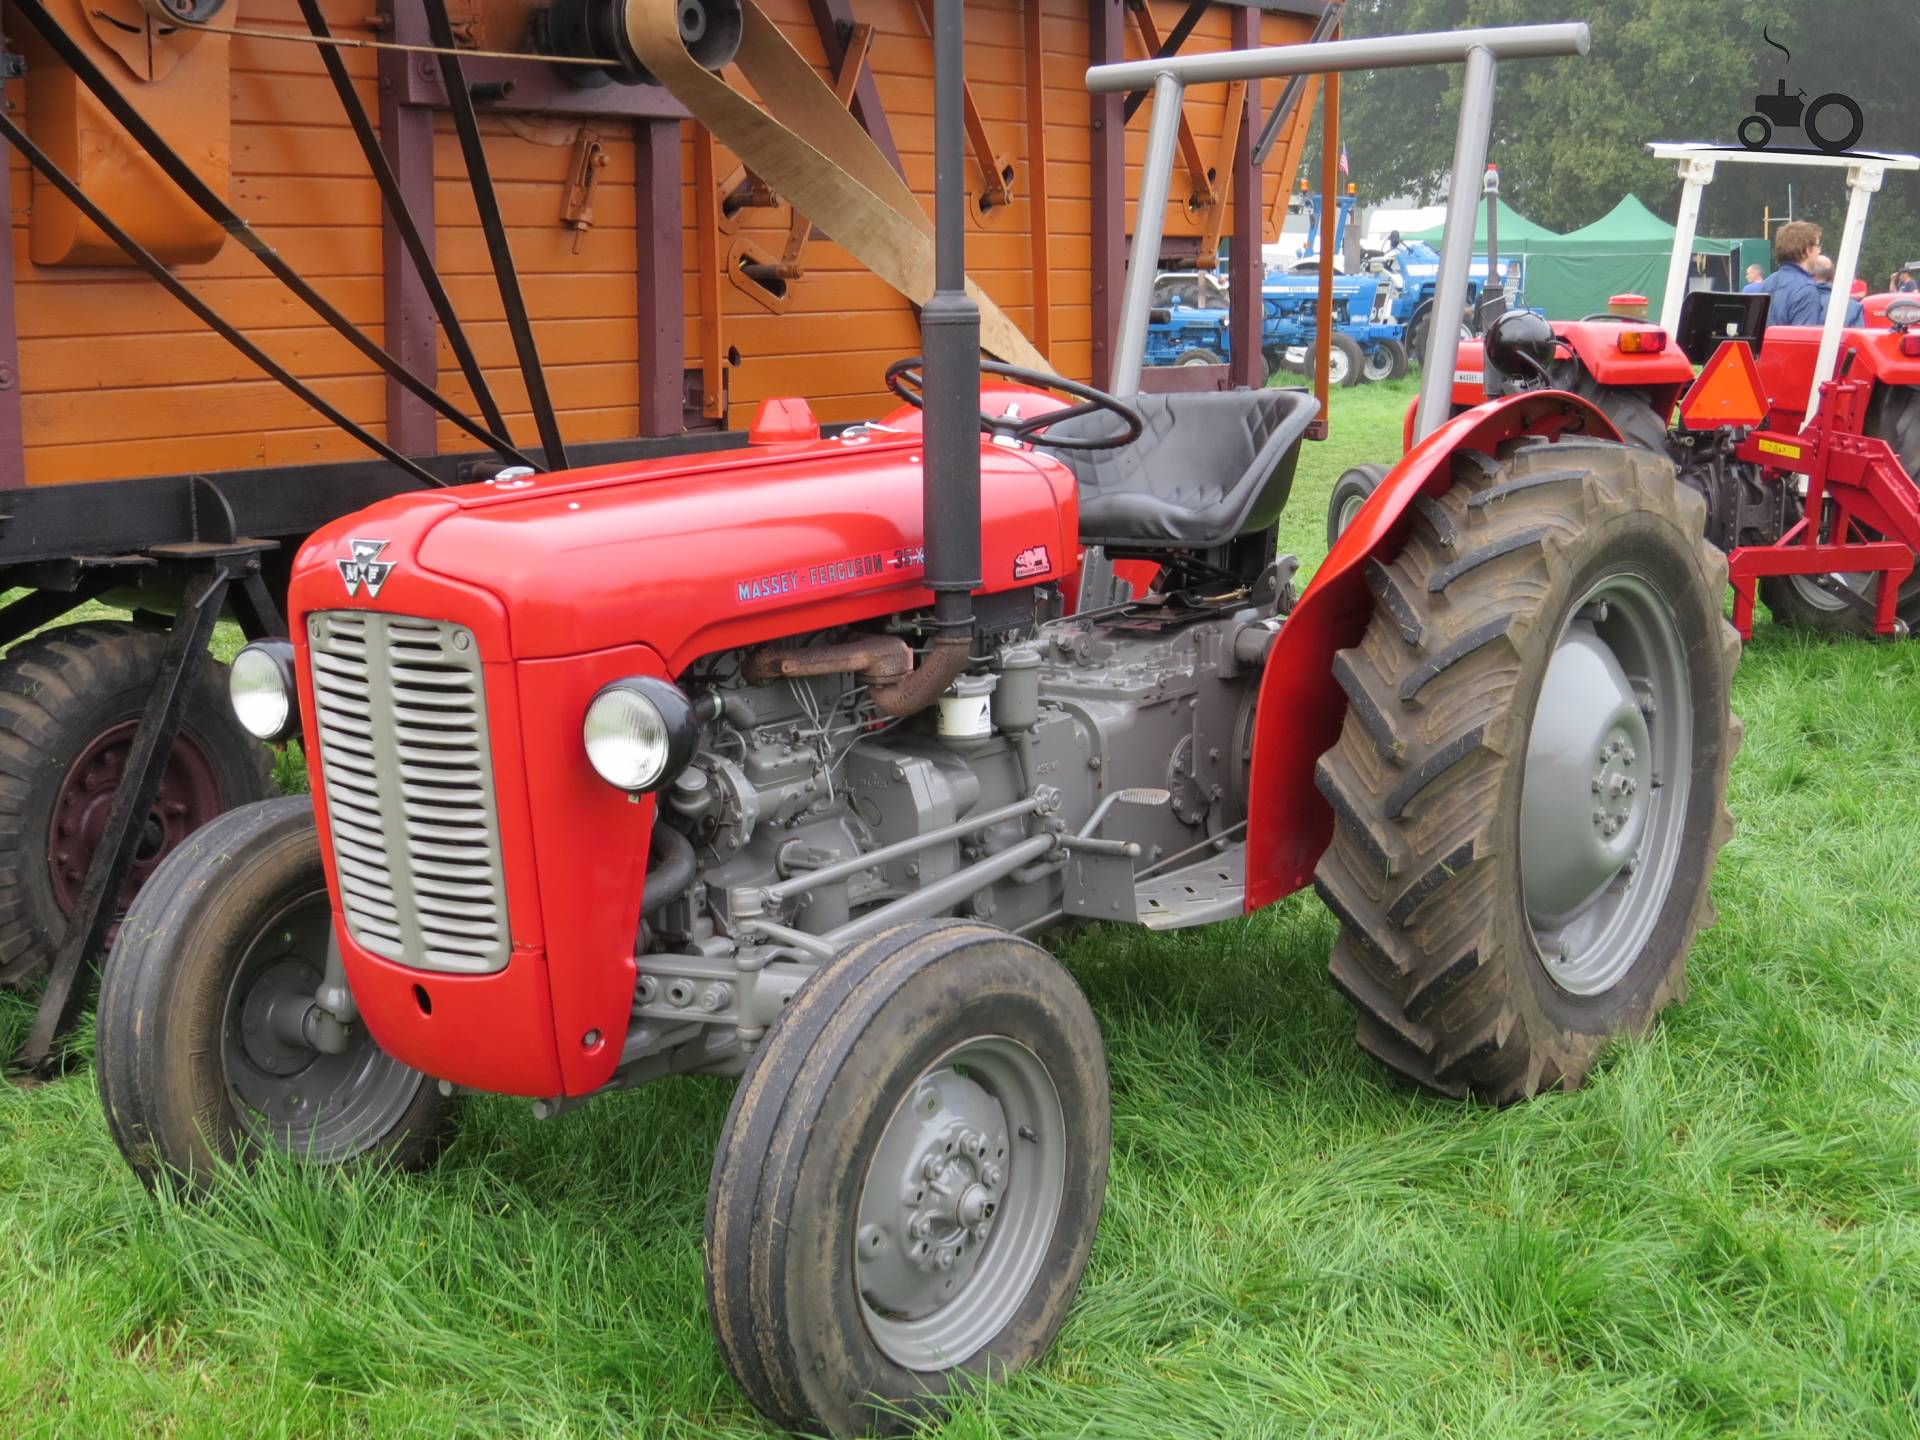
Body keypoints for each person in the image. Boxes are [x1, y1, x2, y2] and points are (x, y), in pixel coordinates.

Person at [1756, 221, 1826, 326]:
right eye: (1817, 246)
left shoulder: (1765, 285)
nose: (1819, 251)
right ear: (1807, 250)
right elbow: (1803, 339)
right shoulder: (1806, 290)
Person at [1809, 254, 1864, 326]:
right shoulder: (1854, 308)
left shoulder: (1795, 300)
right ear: (1832, 276)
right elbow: (1856, 336)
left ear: (1809, 273)